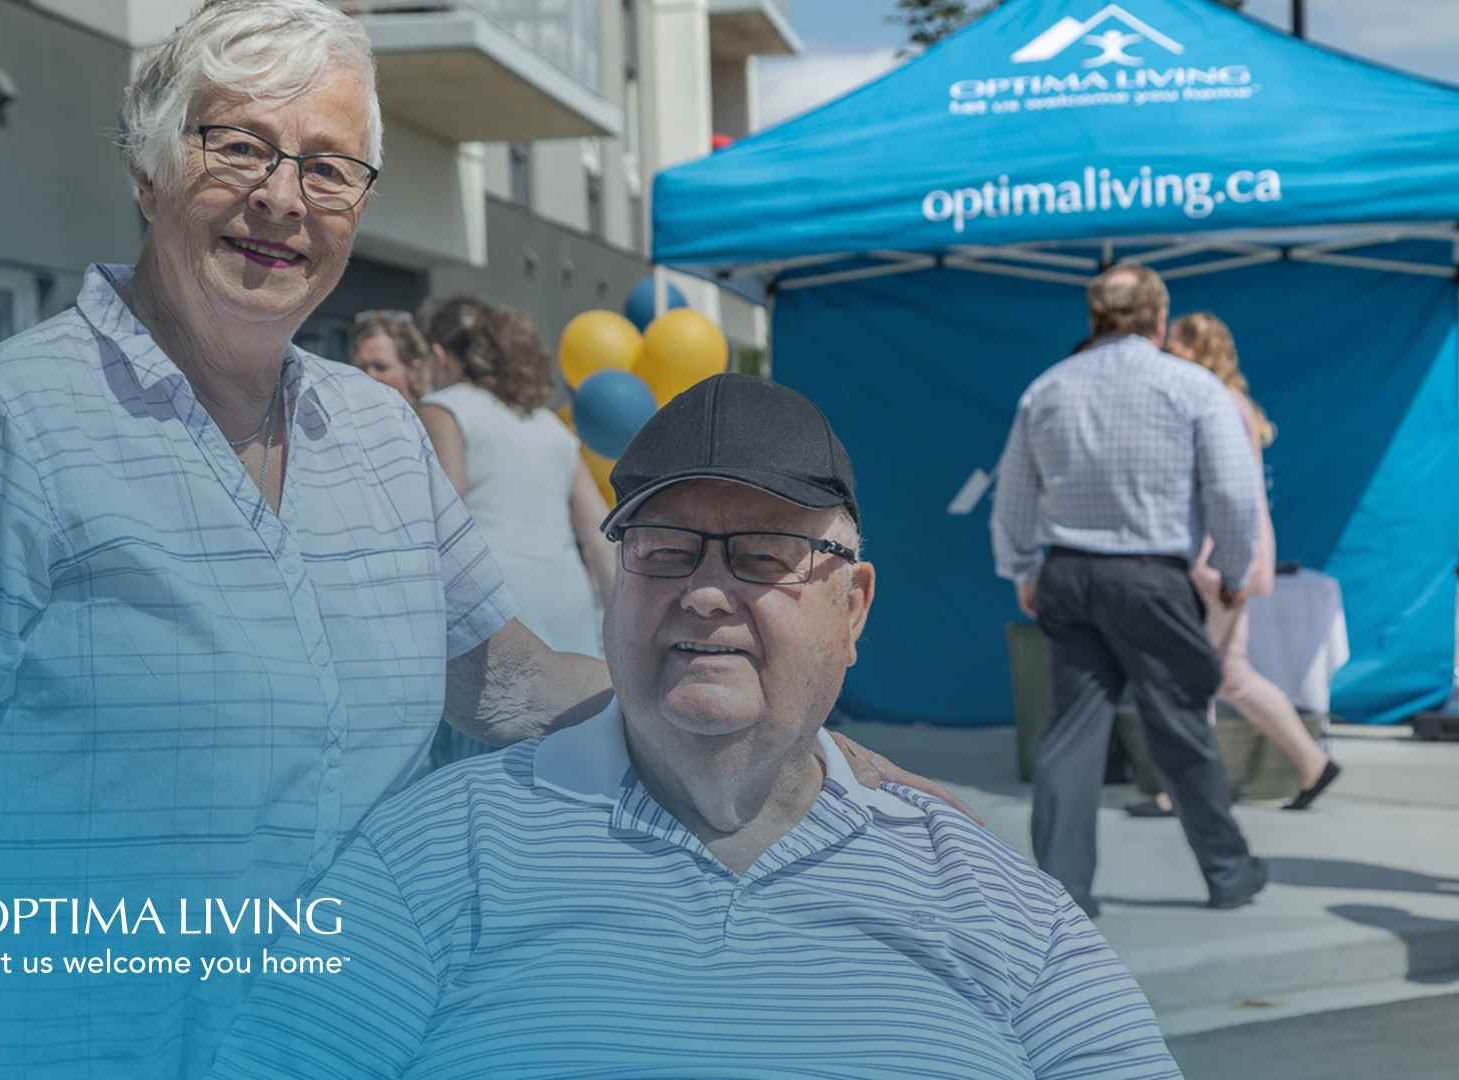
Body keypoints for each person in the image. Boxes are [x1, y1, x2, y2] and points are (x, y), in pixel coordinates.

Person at [0, 10, 941, 1073]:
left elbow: (507, 682)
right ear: (148, 171)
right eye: (237, 147)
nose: (283, 199)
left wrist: (802, 748)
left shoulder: (381, 432)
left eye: (328, 167)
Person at [208, 375, 1182, 1080]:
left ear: (853, 608)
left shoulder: (985, 892)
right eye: (666, 550)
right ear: (616, 588)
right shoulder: (432, 856)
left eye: (764, 555)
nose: (707, 593)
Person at [991, 263, 1267, 916]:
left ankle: (1063, 891)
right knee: (1180, 727)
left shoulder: (1047, 388)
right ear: (1159, 319)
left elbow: (1013, 496)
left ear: (1092, 319)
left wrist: (1024, 568)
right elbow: (1232, 492)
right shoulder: (1193, 388)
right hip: (1150, 577)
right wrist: (1232, 571)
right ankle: (1228, 871)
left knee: (1071, 734)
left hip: (1070, 571)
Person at [1126, 312, 1339, 818]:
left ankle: (1187, 787)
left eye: (1173, 351)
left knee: (1195, 672)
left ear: (1195, 350)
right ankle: (1310, 762)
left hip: (1216, 555)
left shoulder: (1212, 401)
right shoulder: (1233, 402)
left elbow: (1222, 491)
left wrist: (1222, 560)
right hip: (1230, 552)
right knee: (1227, 672)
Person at [418, 296, 618, 765]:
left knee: (482, 772)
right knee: (572, 759)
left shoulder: (443, 408)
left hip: (495, 608)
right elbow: (597, 530)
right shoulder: (551, 426)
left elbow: (444, 517)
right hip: (566, 598)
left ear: (440, 356)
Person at [348, 308, 430, 404]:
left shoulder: (430, 417)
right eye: (361, 368)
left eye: (381, 367)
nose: (369, 376)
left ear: (413, 370)